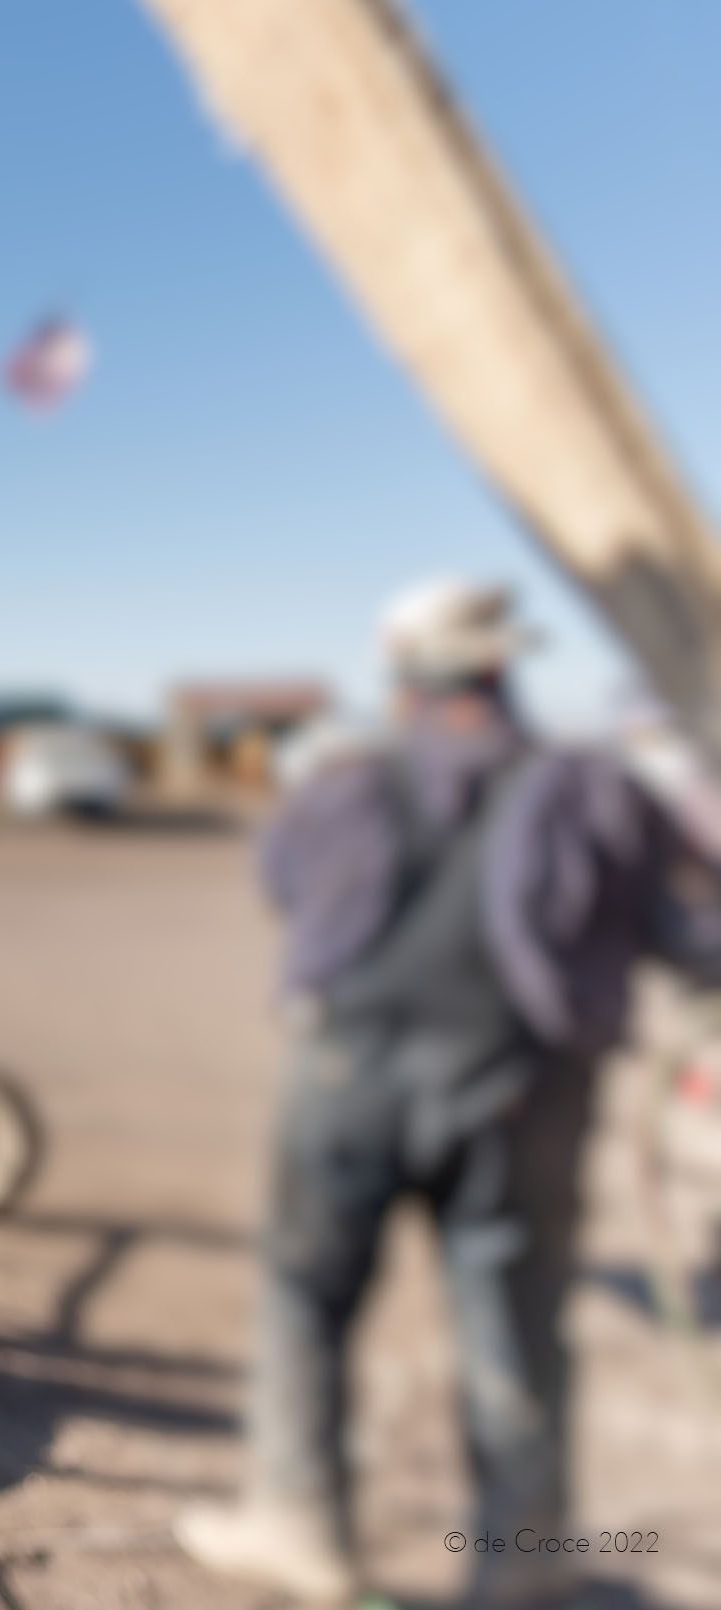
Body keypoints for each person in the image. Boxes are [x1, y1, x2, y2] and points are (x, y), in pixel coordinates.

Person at [177, 577, 721, 1606]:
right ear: (501, 668)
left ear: (404, 680)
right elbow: (688, 928)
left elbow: (283, 886)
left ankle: (299, 1523)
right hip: (520, 1090)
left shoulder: (339, 786)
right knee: (512, 1317)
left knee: (306, 1296)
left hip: (344, 1078)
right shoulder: (594, 790)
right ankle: (517, 1556)